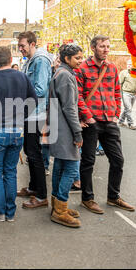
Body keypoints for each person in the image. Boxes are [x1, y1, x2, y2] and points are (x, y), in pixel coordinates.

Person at [77, 35, 135, 214]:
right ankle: (87, 199)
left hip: (110, 121)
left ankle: (113, 196)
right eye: (102, 46)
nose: (106, 49)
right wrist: (89, 117)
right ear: (93, 47)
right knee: (88, 161)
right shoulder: (82, 69)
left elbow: (117, 92)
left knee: (118, 160)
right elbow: (78, 96)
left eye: (108, 46)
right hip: (92, 122)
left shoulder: (111, 68)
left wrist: (116, 114)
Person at [0, 46, 37, 222]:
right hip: (17, 131)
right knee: (11, 172)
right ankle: (10, 213)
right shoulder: (22, 77)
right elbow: (34, 100)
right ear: (10, 59)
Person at [48, 44, 83, 227]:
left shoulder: (60, 73)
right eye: (77, 57)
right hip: (65, 130)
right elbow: (70, 107)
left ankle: (57, 205)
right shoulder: (65, 76)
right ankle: (60, 209)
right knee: (71, 167)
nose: (80, 60)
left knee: (60, 166)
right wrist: (78, 132)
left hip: (59, 128)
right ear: (66, 58)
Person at [16, 31, 52, 209]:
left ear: (32, 44)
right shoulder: (31, 60)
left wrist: (18, 96)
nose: (20, 48)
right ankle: (33, 187)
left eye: (22, 45)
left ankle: (42, 196)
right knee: (30, 151)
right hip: (30, 113)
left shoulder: (40, 60)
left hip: (36, 114)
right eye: (19, 45)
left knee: (34, 154)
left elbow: (39, 89)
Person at [118, 59, 136, 130]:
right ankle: (131, 124)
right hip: (126, 93)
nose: (128, 65)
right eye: (128, 64)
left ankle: (121, 121)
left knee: (127, 109)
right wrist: (119, 93)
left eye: (130, 64)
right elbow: (119, 83)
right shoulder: (123, 73)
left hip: (134, 94)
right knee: (129, 108)